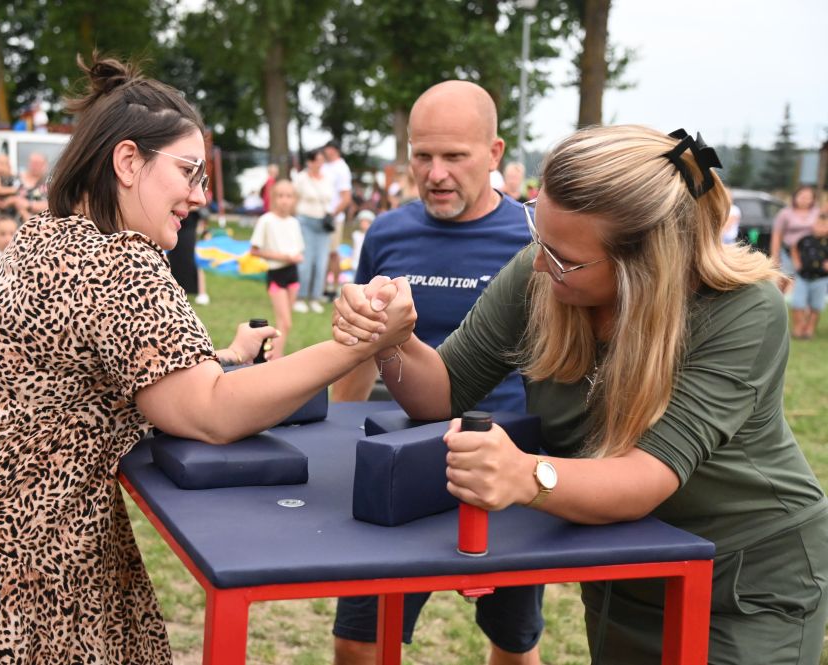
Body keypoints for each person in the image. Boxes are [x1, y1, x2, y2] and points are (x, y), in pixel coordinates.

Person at [0, 54, 415, 663]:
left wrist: (223, 354)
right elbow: (209, 411)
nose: (198, 196)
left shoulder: (44, 237)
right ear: (128, 161)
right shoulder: (122, 262)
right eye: (188, 172)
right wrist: (358, 342)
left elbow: (81, 364)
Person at [334, 124, 828, 665]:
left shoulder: (742, 310)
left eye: (564, 257)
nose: (540, 263)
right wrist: (392, 341)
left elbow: (643, 478)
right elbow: (442, 392)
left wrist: (524, 475)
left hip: (742, 582)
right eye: (536, 235)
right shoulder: (544, 271)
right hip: (626, 567)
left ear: (646, 262)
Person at [330, 81, 539, 665]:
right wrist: (339, 432)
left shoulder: (535, 237)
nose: (436, 173)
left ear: (495, 154)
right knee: (357, 641)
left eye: (455, 156)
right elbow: (359, 348)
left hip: (504, 469)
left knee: (514, 645)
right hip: (402, 461)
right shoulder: (388, 232)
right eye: (423, 155)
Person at [250, 180, 305, 358]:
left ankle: (271, 354)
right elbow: (254, 251)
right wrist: (284, 257)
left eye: (288, 196)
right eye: (280, 195)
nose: (284, 200)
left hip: (293, 274)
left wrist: (295, 257)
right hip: (276, 275)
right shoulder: (266, 221)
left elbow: (298, 248)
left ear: (294, 199)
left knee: (284, 323)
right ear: (274, 198)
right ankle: (276, 359)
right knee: (285, 322)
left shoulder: (294, 223)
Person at [293, 148, 334, 314]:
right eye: (317, 160)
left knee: (321, 262)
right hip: (305, 221)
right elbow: (294, 199)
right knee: (306, 261)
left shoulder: (327, 179)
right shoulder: (301, 178)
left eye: (321, 160)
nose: (320, 164)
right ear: (309, 162)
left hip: (322, 223)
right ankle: (301, 297)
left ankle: (315, 297)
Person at [788, 208, 828, 339]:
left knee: (816, 306)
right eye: (818, 224)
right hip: (803, 277)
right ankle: (798, 327)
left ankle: (809, 329)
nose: (821, 227)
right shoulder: (805, 239)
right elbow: (794, 248)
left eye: (824, 225)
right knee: (798, 303)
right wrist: (796, 261)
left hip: (821, 278)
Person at [322, 139, 353, 299]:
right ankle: (322, 286)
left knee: (333, 254)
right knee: (323, 253)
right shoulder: (324, 166)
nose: (327, 152)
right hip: (321, 216)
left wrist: (331, 214)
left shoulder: (342, 168)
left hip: (333, 218)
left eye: (329, 149)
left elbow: (346, 198)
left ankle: (334, 287)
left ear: (335, 150)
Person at [769, 184, 818, 281]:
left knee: (806, 280)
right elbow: (777, 235)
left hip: (810, 254)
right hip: (788, 252)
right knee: (785, 279)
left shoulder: (817, 213)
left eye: (808, 197)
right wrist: (775, 256)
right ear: (795, 197)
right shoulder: (785, 213)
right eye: (802, 196)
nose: (805, 200)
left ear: (813, 199)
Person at [0, 153, 27, 220]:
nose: (4, 166)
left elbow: (18, 181)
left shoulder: (10, 176)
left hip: (10, 205)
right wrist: (13, 190)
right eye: (1, 163)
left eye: (6, 163)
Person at [18, 151, 50, 217]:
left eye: (38, 163)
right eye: (33, 163)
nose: (35, 166)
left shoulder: (50, 182)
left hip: (41, 221)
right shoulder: (17, 179)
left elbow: (53, 205)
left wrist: (28, 205)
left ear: (45, 165)